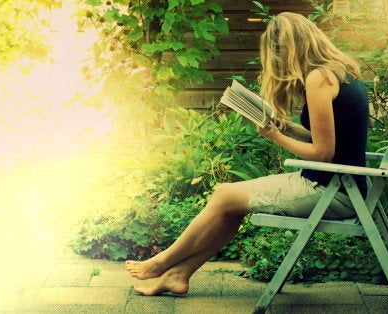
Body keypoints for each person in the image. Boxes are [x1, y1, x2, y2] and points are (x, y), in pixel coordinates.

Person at [125, 12, 369, 296]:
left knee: (224, 195)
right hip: (340, 185)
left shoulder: (319, 78)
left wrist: (276, 137)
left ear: (288, 49)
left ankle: (161, 263)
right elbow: (328, 140)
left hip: (332, 190)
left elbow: (322, 154)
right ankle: (178, 275)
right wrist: (287, 127)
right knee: (230, 202)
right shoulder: (339, 70)